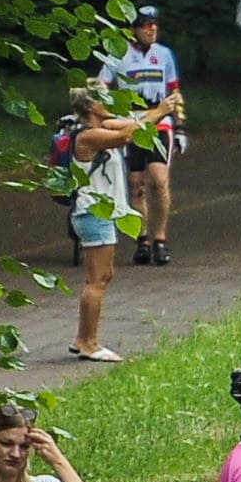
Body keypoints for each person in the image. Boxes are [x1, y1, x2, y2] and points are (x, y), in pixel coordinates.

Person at [47, 81, 149, 360]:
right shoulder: (88, 137)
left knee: (103, 276)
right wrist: (159, 110)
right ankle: (87, 342)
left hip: (98, 213)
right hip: (92, 212)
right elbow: (130, 133)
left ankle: (86, 339)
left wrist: (162, 111)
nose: (112, 102)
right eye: (106, 98)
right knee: (96, 280)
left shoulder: (99, 128)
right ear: (92, 106)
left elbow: (136, 124)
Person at [100, 5, 183, 263]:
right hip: (129, 122)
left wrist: (180, 127)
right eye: (147, 25)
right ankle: (143, 239)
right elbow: (101, 87)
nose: (153, 29)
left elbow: (175, 92)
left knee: (158, 181)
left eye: (155, 24)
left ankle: (160, 238)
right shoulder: (118, 54)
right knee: (136, 185)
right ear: (134, 29)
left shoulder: (165, 55)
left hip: (159, 122)